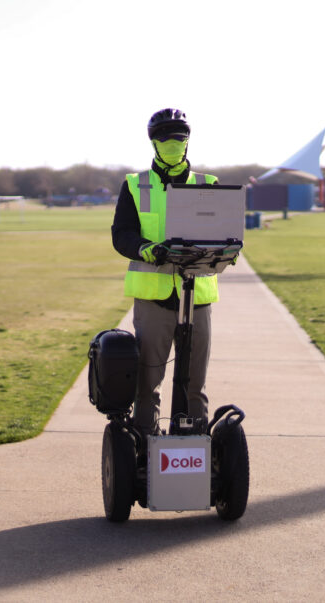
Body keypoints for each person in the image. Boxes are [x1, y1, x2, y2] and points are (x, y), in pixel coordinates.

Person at [111, 108, 220, 436]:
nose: (172, 143)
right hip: (154, 301)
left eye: (179, 137)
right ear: (153, 143)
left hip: (197, 297)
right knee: (148, 384)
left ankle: (194, 449)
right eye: (164, 137)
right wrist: (148, 249)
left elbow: (220, 232)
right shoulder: (134, 185)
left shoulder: (208, 185)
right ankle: (145, 449)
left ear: (187, 141)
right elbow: (122, 234)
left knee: (195, 385)